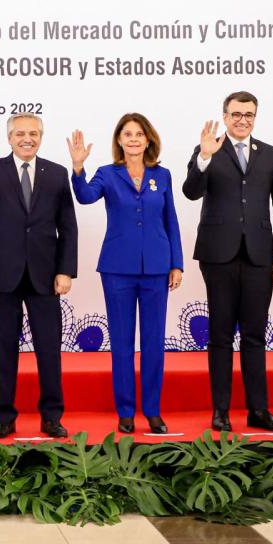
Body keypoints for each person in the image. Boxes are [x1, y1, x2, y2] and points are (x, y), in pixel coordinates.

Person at [0, 111, 78, 439]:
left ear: (41, 137)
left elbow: (68, 226)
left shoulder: (56, 173)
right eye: (20, 134)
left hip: (45, 275)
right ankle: (4, 417)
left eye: (33, 133)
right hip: (1, 274)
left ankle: (51, 417)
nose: (27, 139)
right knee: (3, 348)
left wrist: (66, 270)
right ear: (10, 138)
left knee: (49, 349)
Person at [183, 91, 273, 433]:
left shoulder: (271, 154)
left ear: (255, 117)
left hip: (260, 255)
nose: (242, 120)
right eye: (236, 114)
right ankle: (221, 411)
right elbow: (191, 191)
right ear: (225, 116)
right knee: (219, 335)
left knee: (254, 335)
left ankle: (258, 411)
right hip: (218, 255)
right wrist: (204, 157)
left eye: (248, 115)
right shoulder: (207, 149)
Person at [68, 114, 183, 435]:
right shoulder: (108, 173)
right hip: (117, 269)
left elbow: (171, 220)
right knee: (121, 343)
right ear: (119, 140)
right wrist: (78, 168)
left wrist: (176, 263)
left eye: (139, 134)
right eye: (127, 134)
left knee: (153, 343)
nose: (133, 139)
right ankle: (126, 412)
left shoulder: (162, 175)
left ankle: (153, 411)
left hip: (157, 268)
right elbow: (85, 196)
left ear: (148, 140)